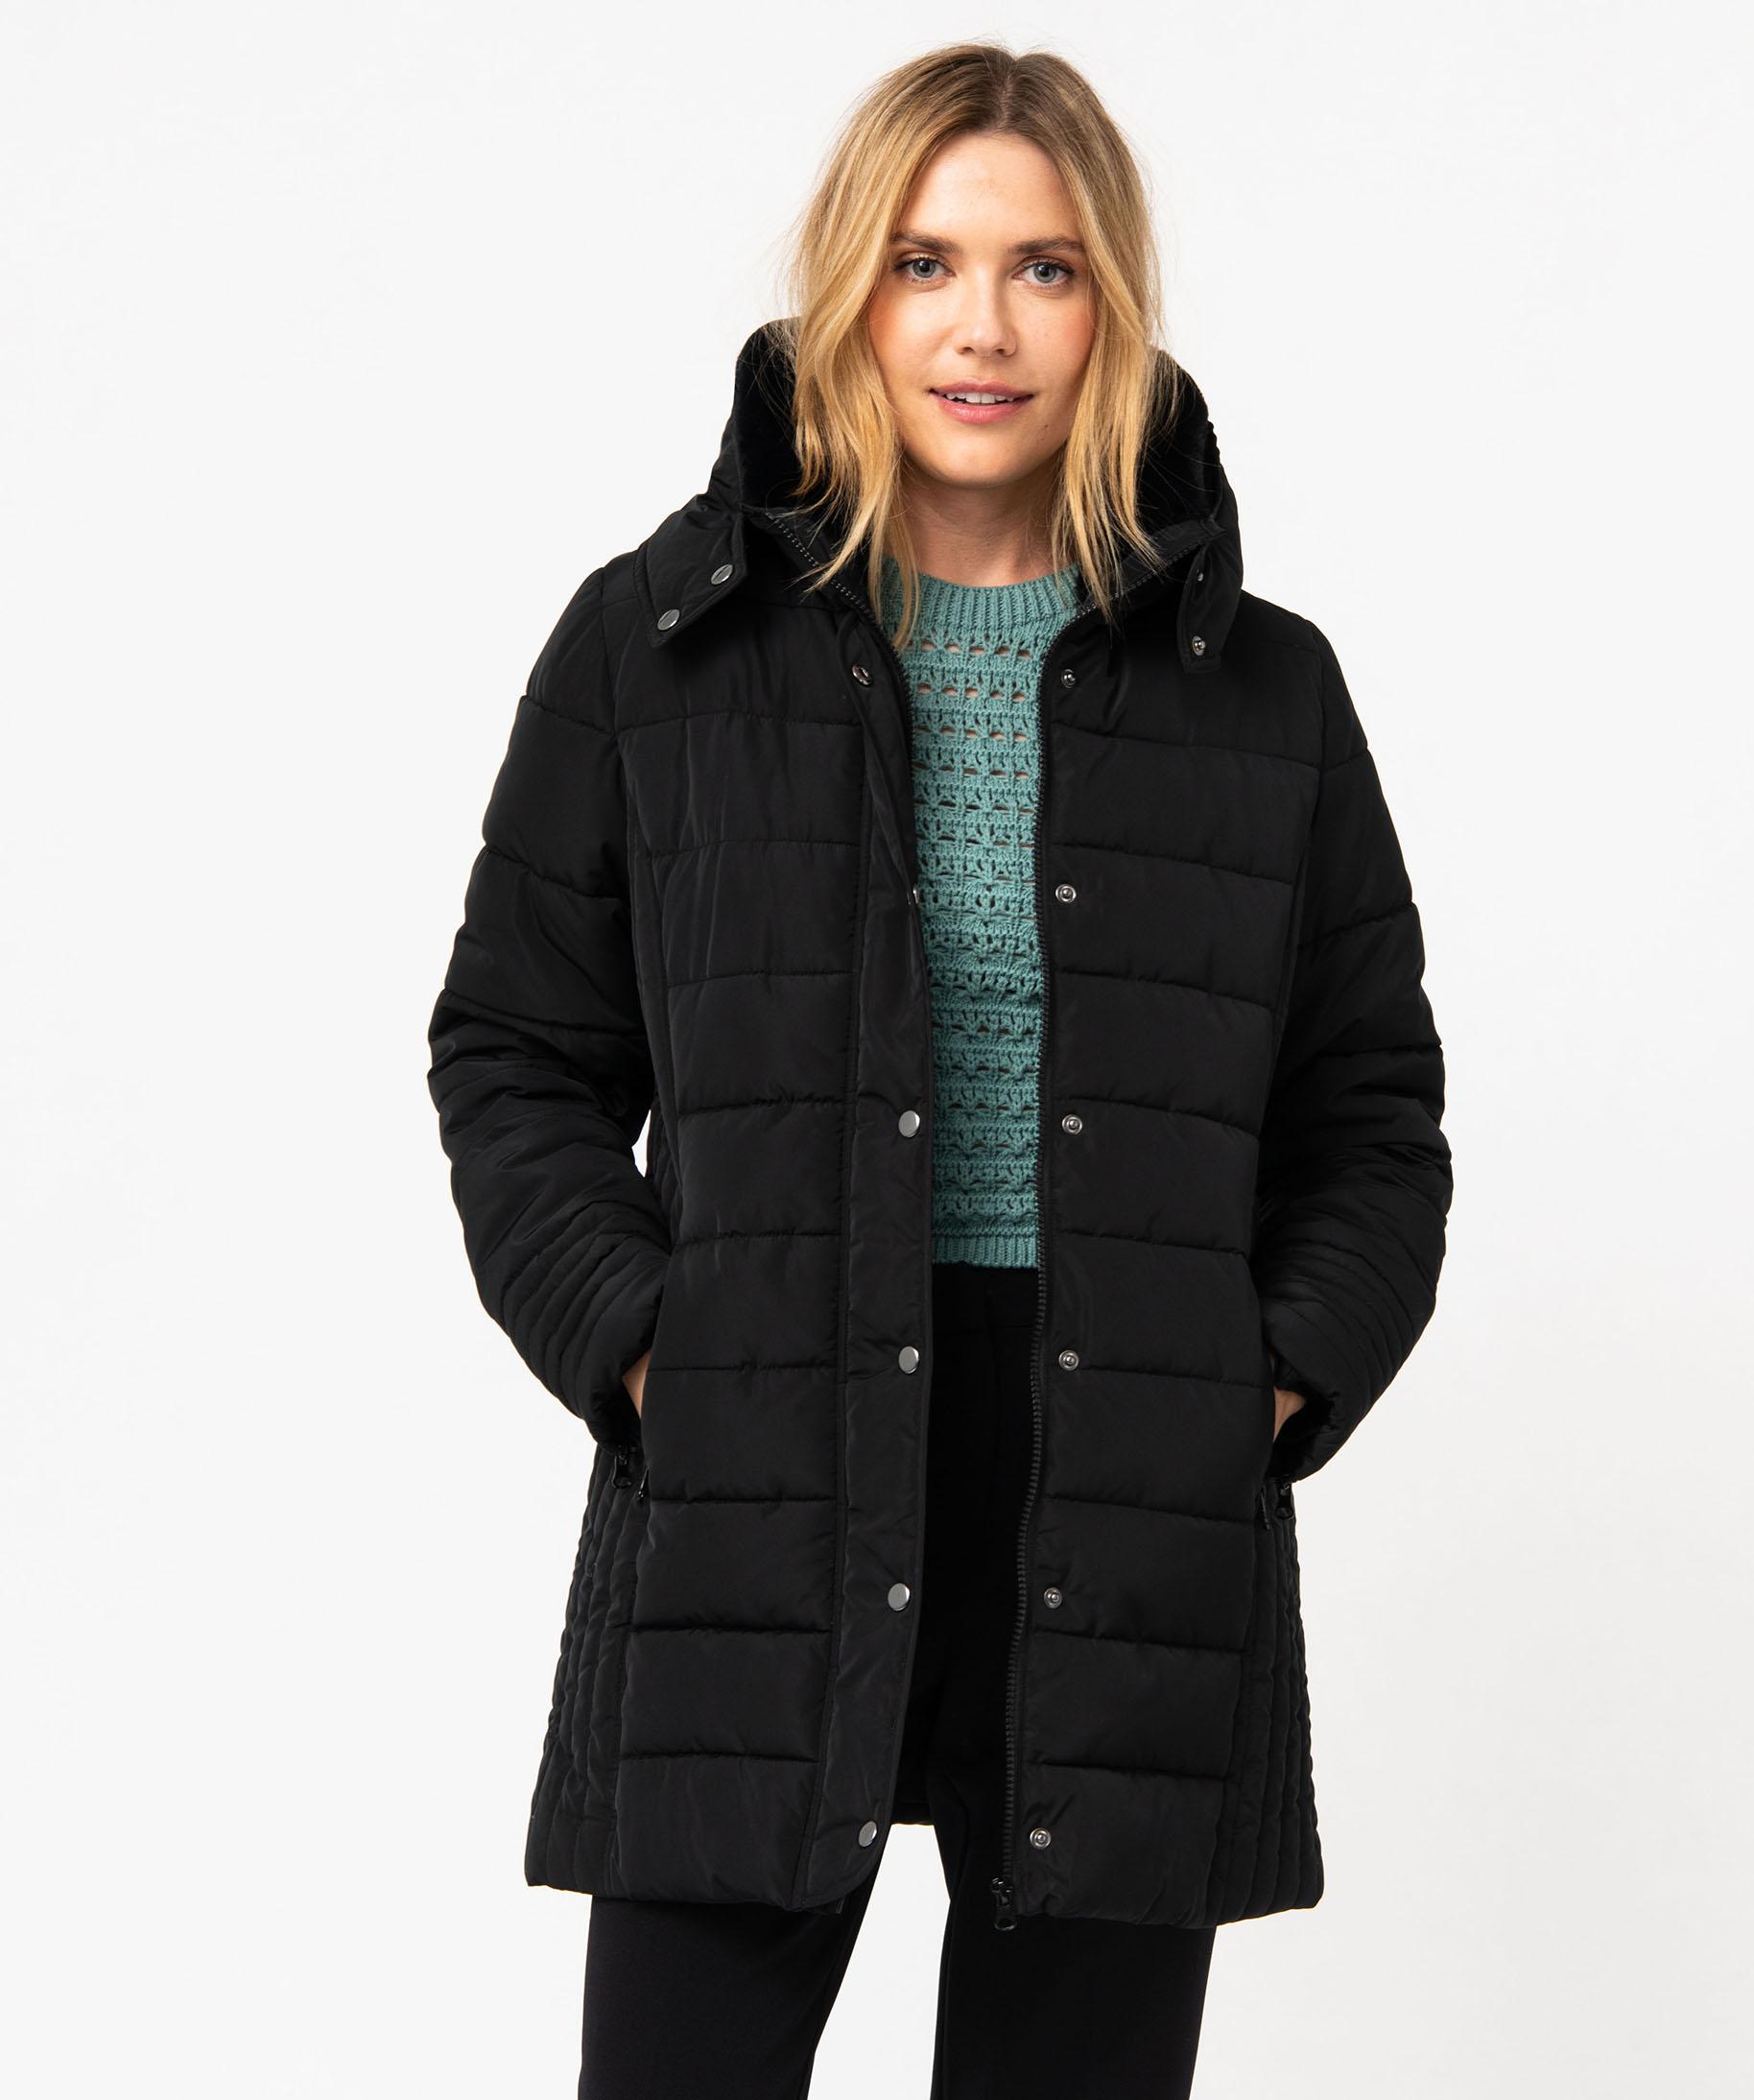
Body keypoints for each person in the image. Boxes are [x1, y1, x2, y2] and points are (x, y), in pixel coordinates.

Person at [425, 40, 1452, 2099]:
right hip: (762, 1463)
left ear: (1109, 306)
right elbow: (515, 1050)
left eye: (1042, 268)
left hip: (1121, 1484)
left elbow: (1370, 1112)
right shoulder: (655, 647)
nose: (982, 325)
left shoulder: (1263, 694)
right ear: (849, 291)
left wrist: (1257, 1384)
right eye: (925, 262)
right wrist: (650, 1347)